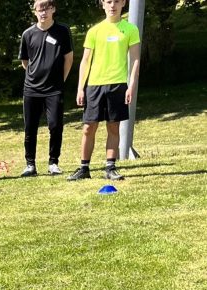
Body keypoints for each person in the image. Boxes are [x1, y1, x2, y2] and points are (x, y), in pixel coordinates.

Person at [67, 0, 140, 181]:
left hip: (117, 85)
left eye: (116, 1)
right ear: (103, 4)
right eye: (108, 1)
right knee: (88, 128)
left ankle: (110, 167)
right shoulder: (95, 31)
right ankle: (84, 168)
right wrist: (80, 87)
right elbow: (85, 61)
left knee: (113, 127)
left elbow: (136, 59)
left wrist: (131, 85)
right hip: (94, 85)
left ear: (123, 3)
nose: (112, 5)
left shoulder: (130, 29)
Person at [18, 0, 74, 177]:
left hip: (54, 89)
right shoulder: (28, 34)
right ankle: (30, 165)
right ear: (35, 12)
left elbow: (69, 59)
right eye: (40, 9)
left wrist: (59, 81)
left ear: (53, 10)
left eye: (47, 8)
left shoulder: (62, 31)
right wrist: (35, 76)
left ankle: (53, 162)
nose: (43, 12)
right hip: (31, 89)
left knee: (55, 125)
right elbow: (25, 62)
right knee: (30, 127)